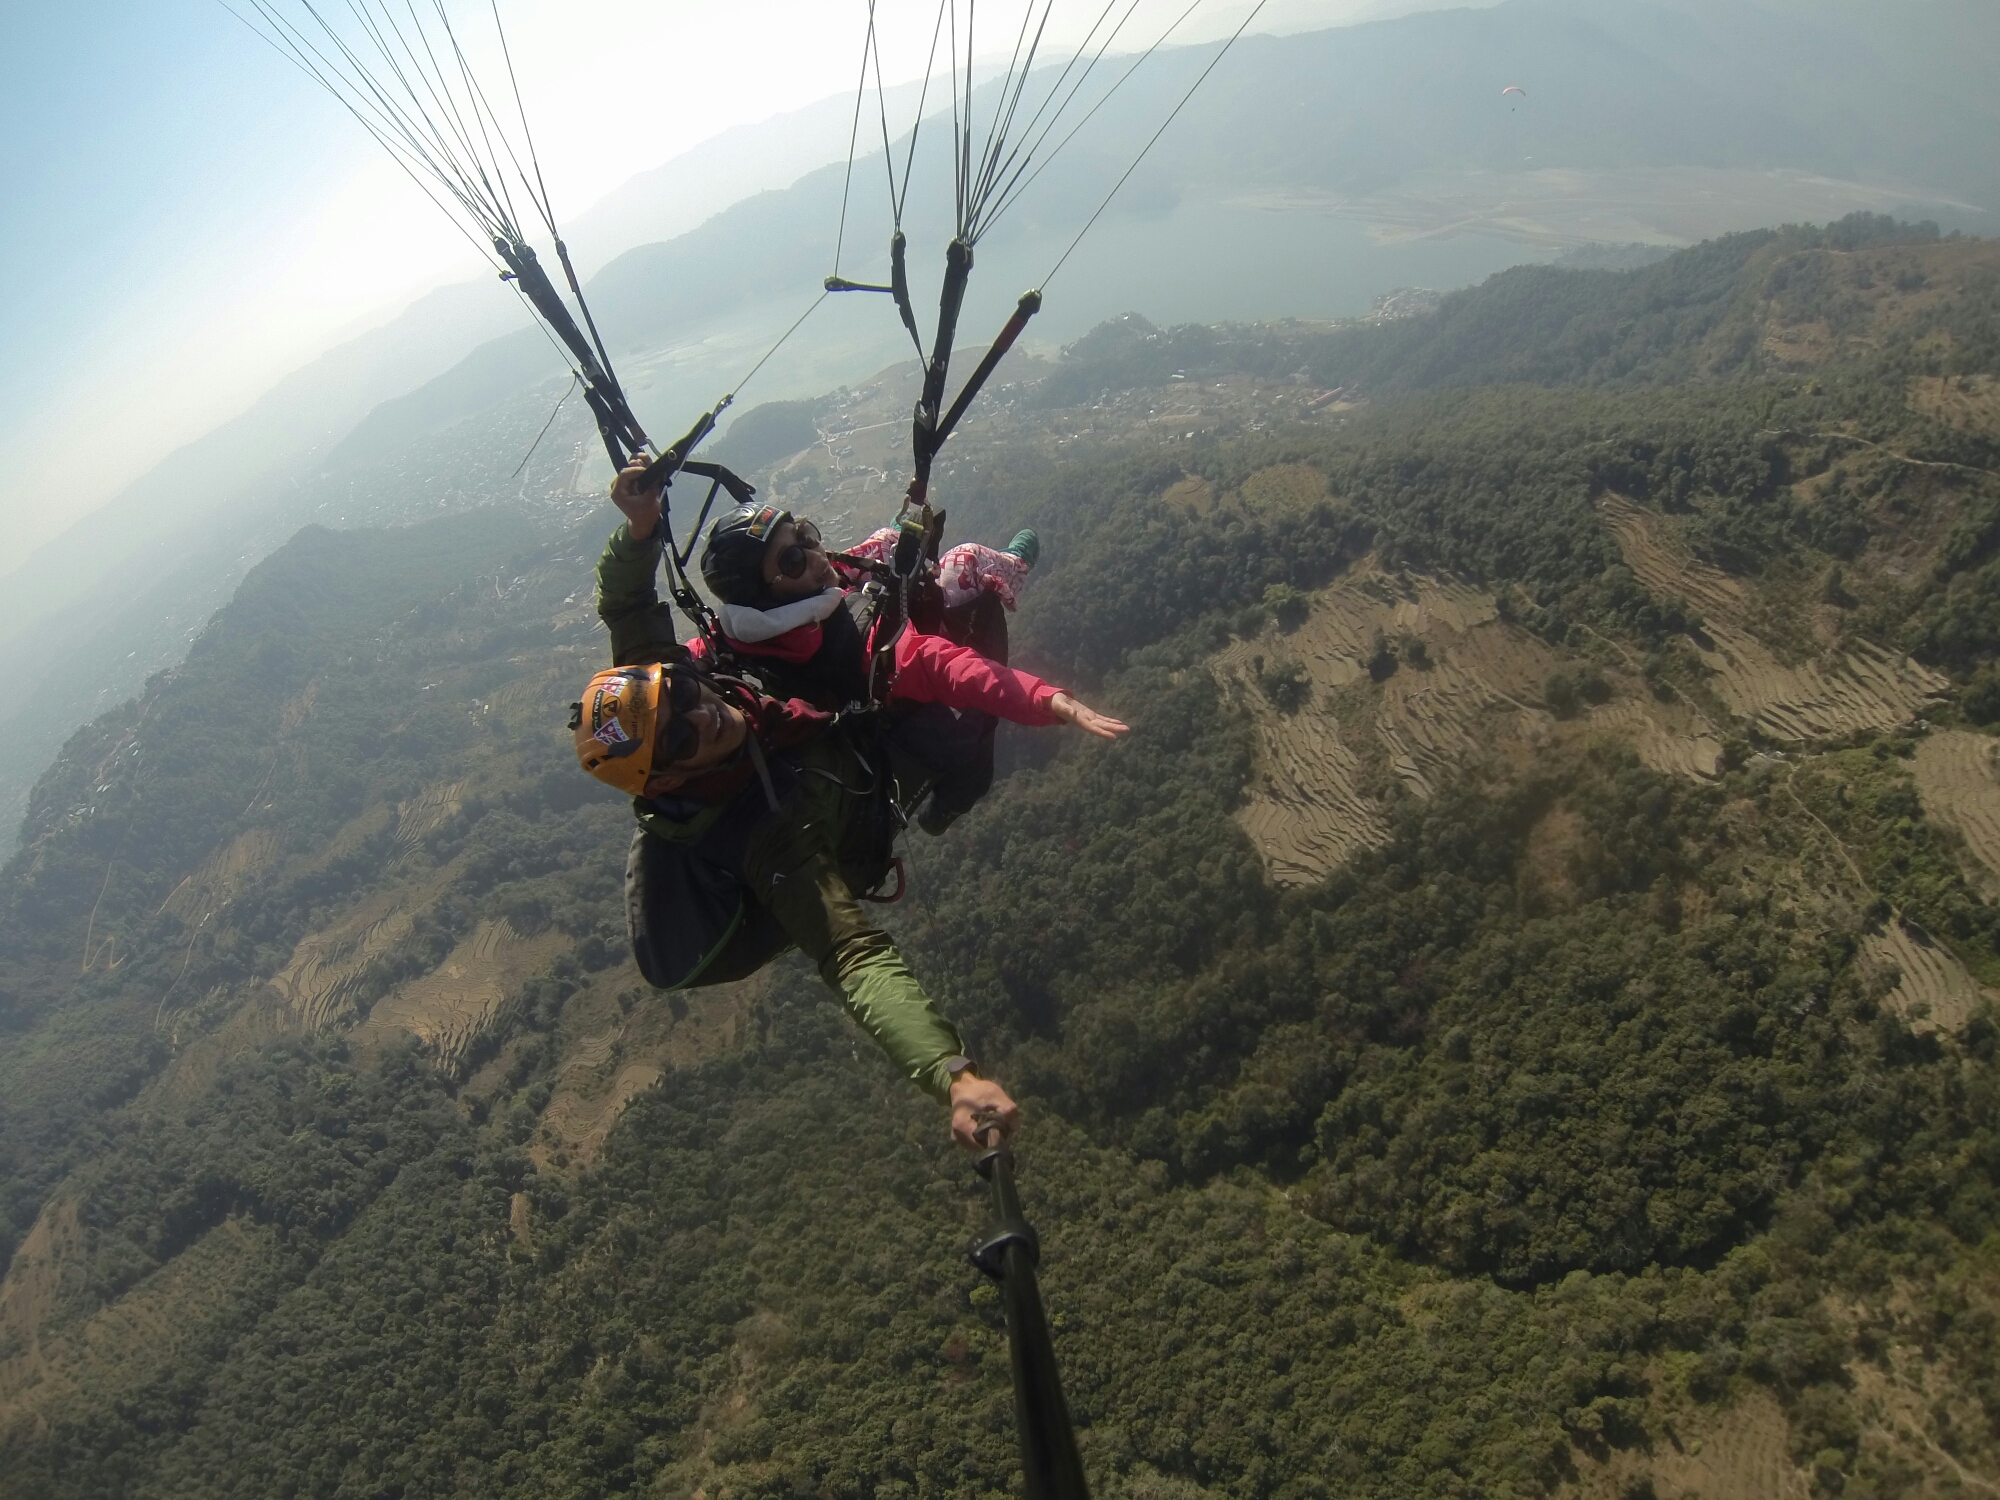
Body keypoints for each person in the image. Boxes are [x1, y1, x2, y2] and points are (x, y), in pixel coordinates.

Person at [579, 461, 1128, 1147]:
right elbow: (856, 960)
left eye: (685, 697)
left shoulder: (668, 682)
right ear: (662, 784)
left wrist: (637, 528)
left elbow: (628, 611)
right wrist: (951, 1075)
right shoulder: (770, 837)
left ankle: (1001, 571)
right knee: (962, 724)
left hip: (827, 709)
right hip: (869, 780)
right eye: (681, 738)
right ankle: (947, 805)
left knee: (933, 572)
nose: (701, 714)